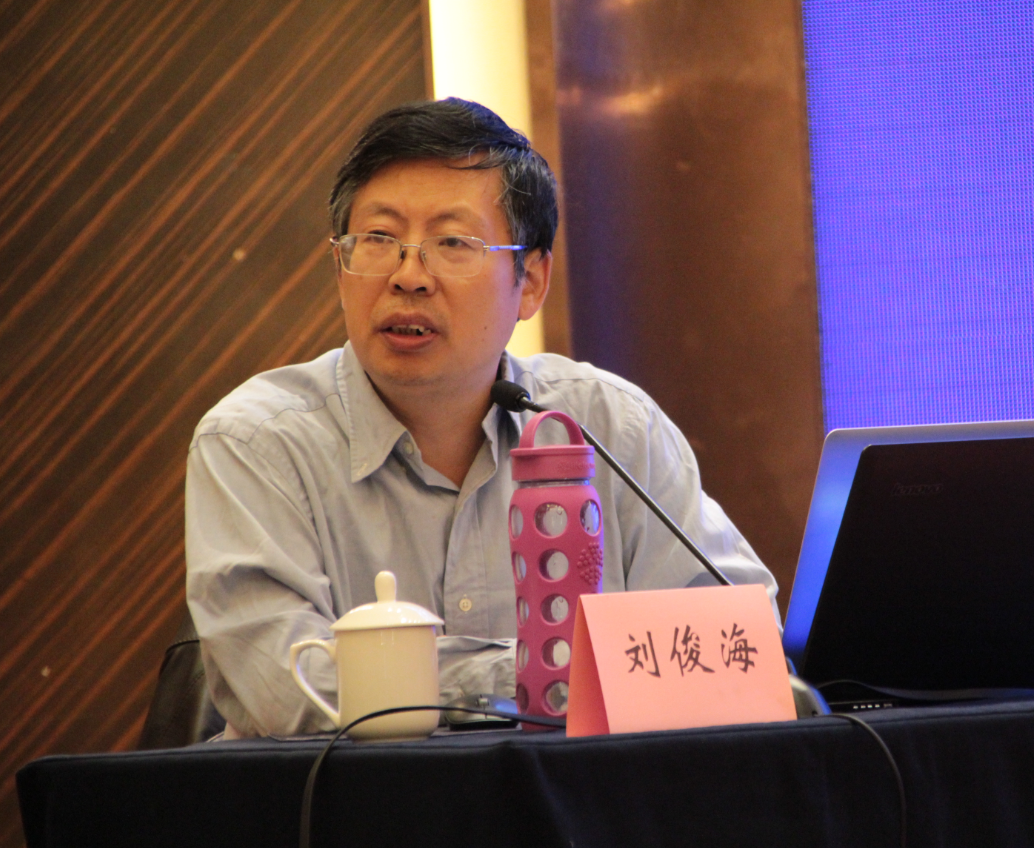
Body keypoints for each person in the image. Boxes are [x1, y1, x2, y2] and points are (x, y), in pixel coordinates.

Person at [185, 98, 778, 738]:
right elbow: (286, 688)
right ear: (340, 266)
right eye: (378, 240)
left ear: (531, 282)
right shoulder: (256, 442)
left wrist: (417, 674)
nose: (408, 276)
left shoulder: (612, 426)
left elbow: (738, 645)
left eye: (453, 243)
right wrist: (543, 675)